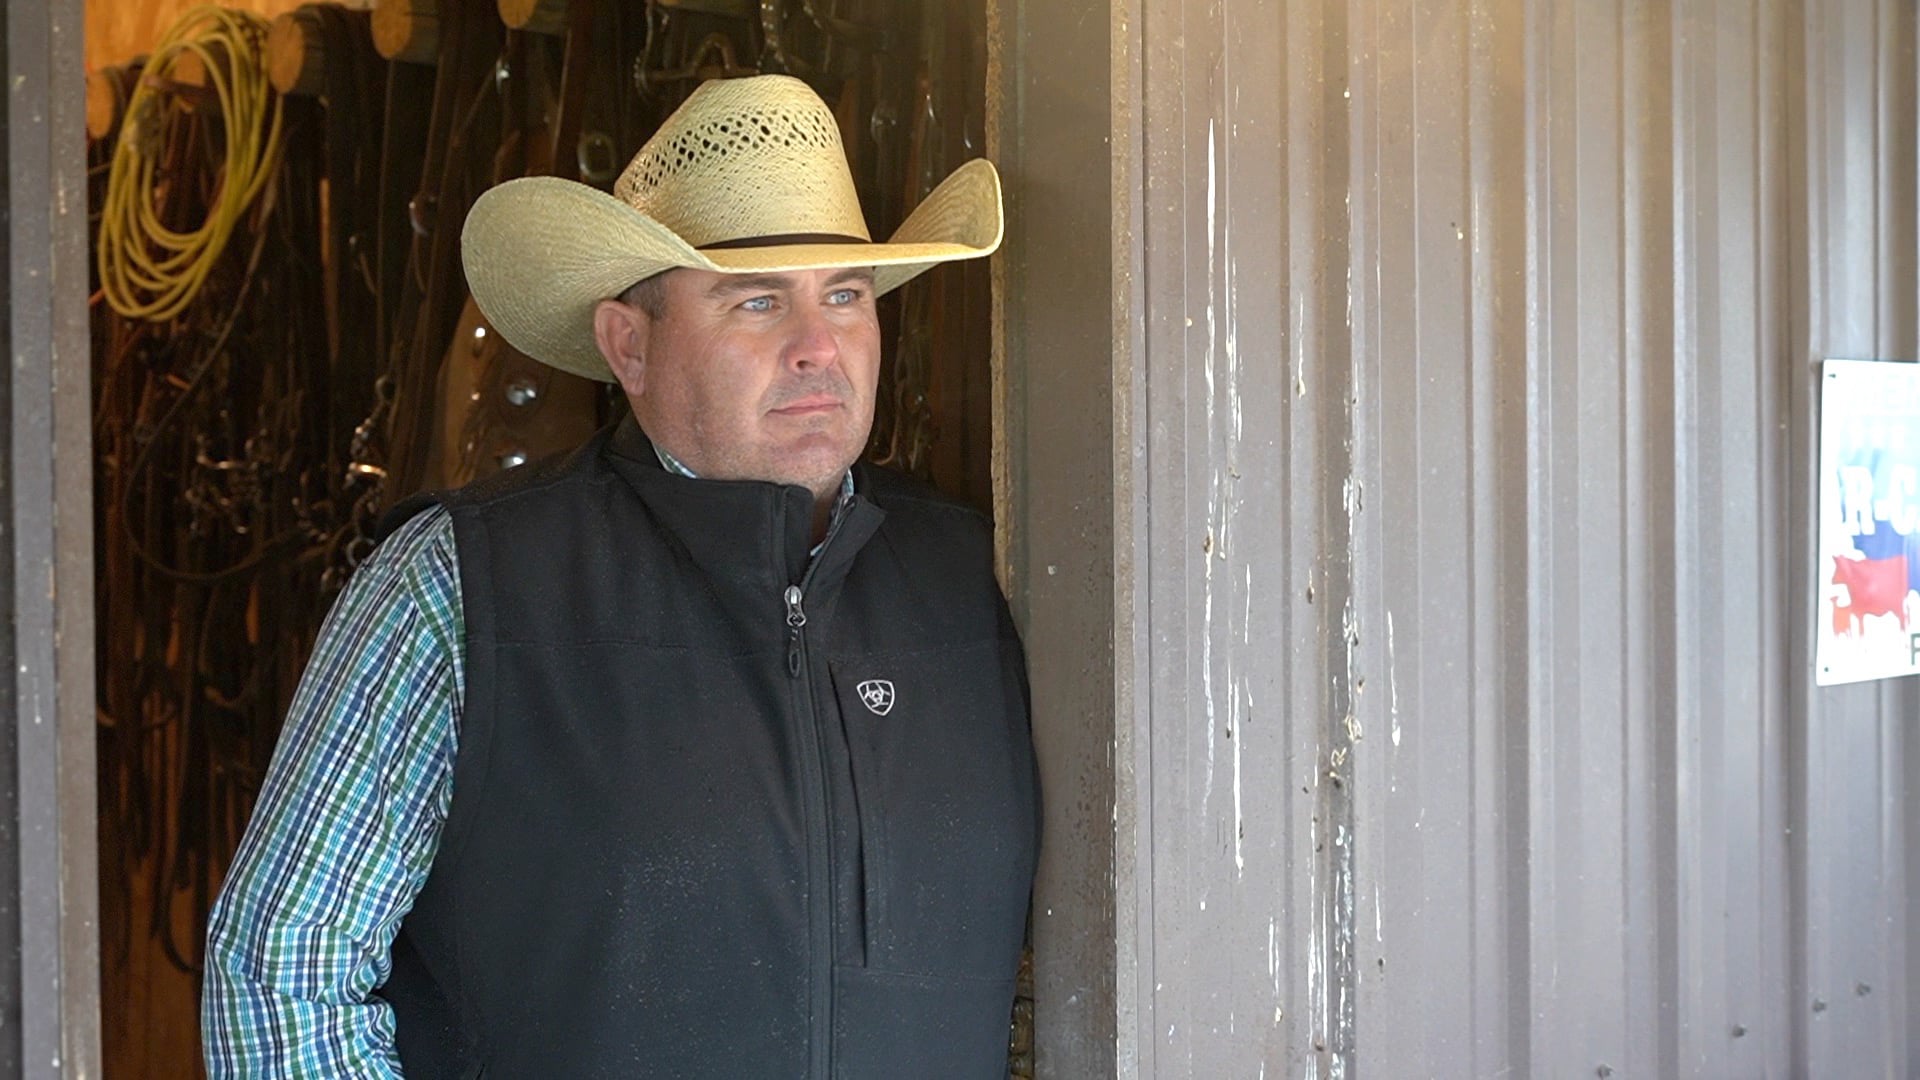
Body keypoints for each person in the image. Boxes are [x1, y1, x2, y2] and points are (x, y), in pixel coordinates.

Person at [202, 74, 1039, 1079]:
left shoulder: (977, 573)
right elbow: (282, 974)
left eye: (846, 296)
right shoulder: (461, 588)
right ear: (628, 346)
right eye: (757, 301)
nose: (820, 347)